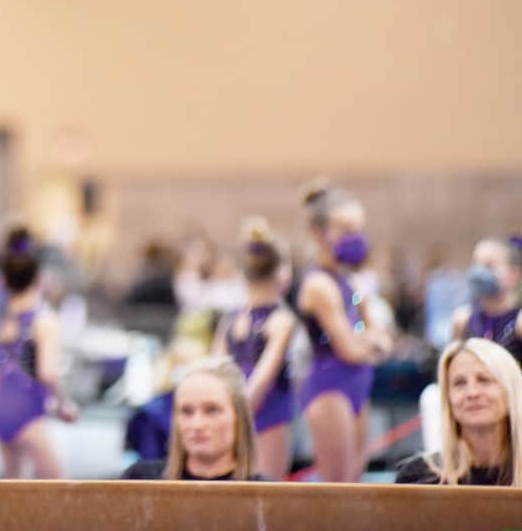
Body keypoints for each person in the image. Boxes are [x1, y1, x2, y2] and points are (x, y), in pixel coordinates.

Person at [295, 180, 393, 482]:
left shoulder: (350, 281)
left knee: (355, 479)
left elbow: (384, 339)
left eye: (358, 230)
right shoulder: (318, 284)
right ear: (319, 233)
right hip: (330, 387)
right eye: (345, 230)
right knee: (338, 484)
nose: (355, 238)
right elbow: (349, 349)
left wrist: (370, 343)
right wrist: (369, 345)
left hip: (357, 384)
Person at [212, 217, 296, 479]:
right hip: (266, 411)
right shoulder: (281, 320)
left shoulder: (231, 319)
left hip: (234, 409)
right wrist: (239, 412)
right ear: (283, 273)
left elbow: (217, 371)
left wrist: (225, 412)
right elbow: (263, 378)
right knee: (267, 494)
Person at [0, 231, 79, 478]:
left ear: (4, 282)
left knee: (11, 488)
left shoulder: (3, 316)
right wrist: (65, 403)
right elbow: (48, 373)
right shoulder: (44, 320)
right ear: (40, 278)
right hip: (26, 410)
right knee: (57, 487)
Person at [396, 338, 522, 486]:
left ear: (511, 391)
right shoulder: (418, 478)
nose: (472, 393)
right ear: (448, 399)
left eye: (484, 380)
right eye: (459, 383)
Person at [122, 356, 264, 481]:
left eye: (212, 410)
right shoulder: (140, 481)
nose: (197, 425)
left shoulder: (268, 494)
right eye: (187, 411)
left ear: (238, 417)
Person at [452, 236, 522, 369]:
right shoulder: (462, 320)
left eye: (489, 266)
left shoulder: (519, 323)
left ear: (514, 275)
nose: (479, 271)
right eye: (475, 263)